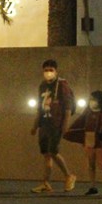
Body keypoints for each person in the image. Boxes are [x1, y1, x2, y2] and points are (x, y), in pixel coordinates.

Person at [30, 59, 76, 193]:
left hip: (56, 123)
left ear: (56, 71)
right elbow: (40, 107)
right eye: (45, 70)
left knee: (53, 151)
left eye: (51, 70)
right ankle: (45, 182)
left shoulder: (62, 85)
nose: (48, 73)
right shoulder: (42, 86)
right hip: (45, 123)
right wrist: (35, 125)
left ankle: (69, 175)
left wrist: (65, 125)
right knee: (46, 154)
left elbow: (67, 107)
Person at [63, 91, 102, 195]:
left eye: (94, 99)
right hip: (88, 140)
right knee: (91, 164)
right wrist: (69, 131)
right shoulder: (88, 112)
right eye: (91, 99)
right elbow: (79, 122)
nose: (91, 101)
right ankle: (93, 186)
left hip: (100, 142)